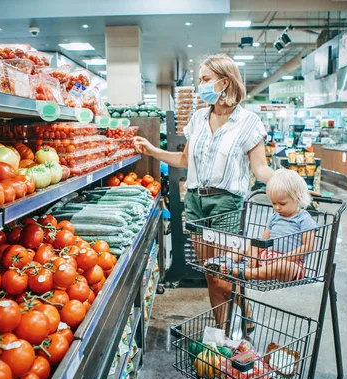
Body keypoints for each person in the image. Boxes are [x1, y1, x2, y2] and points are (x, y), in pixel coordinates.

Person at [133, 53, 274, 326]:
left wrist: (286, 184)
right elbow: (185, 161)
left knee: (222, 275)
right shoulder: (198, 118)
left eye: (205, 79)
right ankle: (232, 318)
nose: (201, 84)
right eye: (199, 79)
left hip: (225, 204)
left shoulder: (249, 122)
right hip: (196, 203)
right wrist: (152, 150)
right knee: (211, 273)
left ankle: (222, 333)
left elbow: (261, 170)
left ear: (224, 82)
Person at [213, 168, 317, 281]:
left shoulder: (304, 219)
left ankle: (244, 274)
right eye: (273, 203)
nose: (277, 207)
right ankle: (224, 263)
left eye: (282, 203)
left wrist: (285, 258)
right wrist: (254, 251)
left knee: (282, 267)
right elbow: (263, 240)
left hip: (290, 264)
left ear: (298, 197)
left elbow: (308, 247)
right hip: (267, 258)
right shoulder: (275, 217)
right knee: (242, 244)